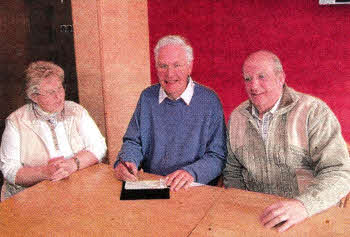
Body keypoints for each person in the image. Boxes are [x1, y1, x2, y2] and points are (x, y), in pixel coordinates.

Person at [223, 50, 350, 232]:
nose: (254, 86)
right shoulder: (237, 117)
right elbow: (232, 171)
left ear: (281, 77)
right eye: (248, 79)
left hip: (310, 216)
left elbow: (340, 172)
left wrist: (303, 205)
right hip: (257, 218)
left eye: (261, 76)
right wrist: (241, 206)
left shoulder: (313, 112)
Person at [114, 35, 227, 191]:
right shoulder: (147, 97)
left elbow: (218, 156)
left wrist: (191, 173)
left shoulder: (209, 101)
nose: (170, 74)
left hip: (193, 188)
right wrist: (127, 162)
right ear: (156, 68)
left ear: (190, 67)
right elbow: (133, 142)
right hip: (154, 186)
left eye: (177, 65)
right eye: (163, 66)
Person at [0, 61, 107, 200]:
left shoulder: (75, 110)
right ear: (34, 97)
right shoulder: (16, 121)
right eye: (51, 92)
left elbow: (99, 146)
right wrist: (44, 172)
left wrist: (73, 164)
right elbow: (9, 170)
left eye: (60, 88)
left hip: (76, 190)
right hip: (32, 199)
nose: (59, 96)